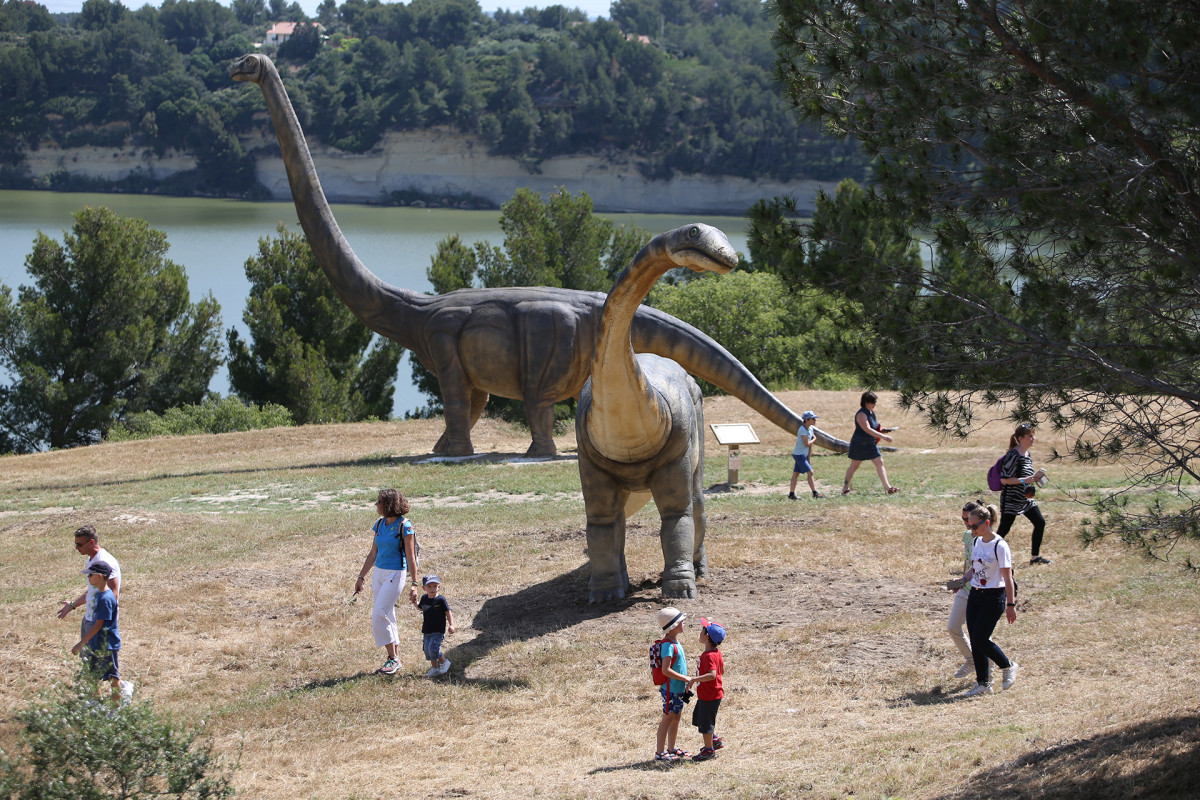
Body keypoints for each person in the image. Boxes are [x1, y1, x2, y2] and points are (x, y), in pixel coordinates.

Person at [57, 525, 133, 703]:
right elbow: (92, 591)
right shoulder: (92, 560)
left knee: (106, 665)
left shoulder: (105, 561)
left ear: (92, 542)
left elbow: (112, 593)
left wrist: (103, 622)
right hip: (90, 618)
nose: (76, 548)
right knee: (90, 663)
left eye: (79, 544)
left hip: (100, 623)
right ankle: (95, 701)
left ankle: (120, 695)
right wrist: (73, 605)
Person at [353, 489, 419, 675]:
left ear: (390, 504)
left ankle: (392, 658)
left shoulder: (405, 526)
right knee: (387, 614)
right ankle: (396, 658)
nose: (376, 504)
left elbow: (411, 557)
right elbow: (373, 553)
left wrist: (414, 584)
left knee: (378, 614)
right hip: (379, 573)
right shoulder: (379, 524)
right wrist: (361, 577)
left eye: (380, 501)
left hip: (395, 573)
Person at [959, 503, 1018, 697]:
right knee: (975, 641)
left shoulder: (999, 545)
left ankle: (1007, 665)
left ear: (987, 523)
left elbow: (1008, 578)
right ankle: (983, 683)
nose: (971, 529)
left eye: (974, 526)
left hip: (993, 597)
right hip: (975, 594)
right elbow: (975, 567)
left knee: (981, 639)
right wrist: (963, 580)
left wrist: (1011, 605)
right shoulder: (977, 542)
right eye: (969, 524)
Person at [997, 423, 1051, 565]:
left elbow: (1025, 475)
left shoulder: (1027, 454)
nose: (1033, 438)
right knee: (1003, 530)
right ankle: (985, 555)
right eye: (1030, 436)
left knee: (1040, 522)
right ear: (1020, 438)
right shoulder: (1013, 455)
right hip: (1011, 499)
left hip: (1025, 499)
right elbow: (1004, 479)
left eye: (1033, 436)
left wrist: (1034, 478)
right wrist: (1024, 480)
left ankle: (1035, 558)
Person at [71, 562, 122, 703]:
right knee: (91, 675)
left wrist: (81, 643)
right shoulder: (101, 595)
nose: (88, 578)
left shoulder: (105, 598)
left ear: (99, 576)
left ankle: (117, 709)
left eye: (90, 575)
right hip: (98, 644)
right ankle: (96, 704)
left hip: (107, 644)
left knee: (113, 677)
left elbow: (98, 624)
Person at [946, 500, 986, 678]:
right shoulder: (967, 535)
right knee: (953, 627)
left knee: (981, 636)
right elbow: (968, 560)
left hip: (982, 591)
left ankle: (988, 675)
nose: (966, 524)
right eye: (963, 520)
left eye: (969, 520)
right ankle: (971, 660)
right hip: (967, 587)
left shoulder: (987, 539)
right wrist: (961, 581)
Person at [842, 391, 898, 495]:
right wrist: (883, 436)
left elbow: (874, 427)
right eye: (872, 402)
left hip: (870, 443)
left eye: (875, 402)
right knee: (854, 465)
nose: (874, 404)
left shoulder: (872, 412)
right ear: (866, 402)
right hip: (859, 444)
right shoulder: (861, 414)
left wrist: (882, 429)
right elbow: (867, 429)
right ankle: (845, 487)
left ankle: (888, 488)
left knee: (879, 462)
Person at [654, 607, 690, 763]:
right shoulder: (668, 645)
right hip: (670, 690)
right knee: (667, 718)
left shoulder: (675, 641)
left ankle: (671, 749)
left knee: (676, 717)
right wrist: (685, 678)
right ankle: (660, 753)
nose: (684, 624)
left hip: (678, 689)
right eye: (681, 622)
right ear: (673, 626)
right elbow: (666, 670)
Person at [688, 617, 726, 762]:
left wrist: (694, 679)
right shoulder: (715, 653)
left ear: (707, 636)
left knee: (706, 724)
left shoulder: (708, 656)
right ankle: (714, 740)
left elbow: (712, 675)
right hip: (708, 694)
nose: (700, 632)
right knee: (699, 718)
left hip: (710, 695)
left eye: (702, 630)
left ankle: (709, 750)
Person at [413, 574, 455, 677]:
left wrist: (452, 624)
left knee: (433, 649)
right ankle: (435, 668)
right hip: (427, 629)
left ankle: (445, 662)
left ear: (439, 587)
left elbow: (448, 612)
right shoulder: (424, 598)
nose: (432, 589)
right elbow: (421, 608)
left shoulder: (440, 600)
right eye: (429, 586)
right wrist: (414, 602)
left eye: (435, 586)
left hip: (438, 629)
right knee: (427, 650)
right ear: (424, 588)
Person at [789, 410, 824, 499]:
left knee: (796, 474)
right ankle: (815, 493)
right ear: (807, 420)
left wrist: (808, 457)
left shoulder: (811, 429)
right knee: (810, 472)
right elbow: (807, 444)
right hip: (799, 455)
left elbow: (809, 446)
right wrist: (814, 439)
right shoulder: (802, 430)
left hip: (802, 455)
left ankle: (791, 494)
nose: (815, 421)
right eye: (813, 419)